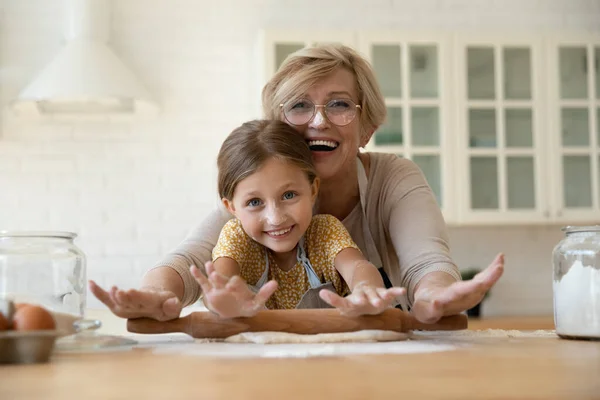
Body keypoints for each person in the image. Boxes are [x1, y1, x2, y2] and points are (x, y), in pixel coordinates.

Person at [90, 43, 504, 323]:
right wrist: (156, 295)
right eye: (300, 106)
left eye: (339, 104)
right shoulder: (254, 194)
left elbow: (426, 263)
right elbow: (191, 260)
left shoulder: (393, 179)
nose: (319, 120)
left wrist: (435, 295)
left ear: (367, 128)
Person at [188, 119, 405, 318]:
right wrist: (223, 300)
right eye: (255, 202)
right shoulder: (237, 238)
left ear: (312, 190)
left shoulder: (324, 232)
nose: (275, 218)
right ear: (232, 207)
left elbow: (358, 267)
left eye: (289, 195)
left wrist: (366, 289)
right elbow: (221, 283)